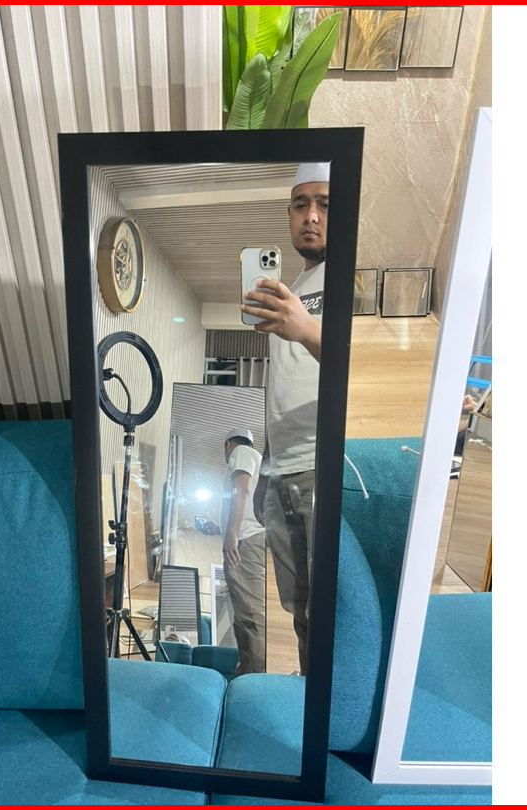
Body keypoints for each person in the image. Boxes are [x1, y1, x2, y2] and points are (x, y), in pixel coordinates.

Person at [240, 162, 330, 675]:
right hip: (283, 471)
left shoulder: (354, 276)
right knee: (298, 608)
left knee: (330, 608)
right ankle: (309, 694)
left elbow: (360, 367)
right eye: (301, 205)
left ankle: (328, 703)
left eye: (325, 204)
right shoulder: (294, 284)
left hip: (324, 465)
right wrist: (264, 469)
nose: (311, 216)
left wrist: (306, 329)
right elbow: (285, 382)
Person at [218, 427, 266, 675]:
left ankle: (255, 677)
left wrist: (232, 534)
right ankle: (247, 671)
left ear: (228, 444)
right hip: (246, 537)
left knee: (250, 615)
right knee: (244, 613)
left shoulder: (242, 452)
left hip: (245, 539)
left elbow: (242, 491)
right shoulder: (255, 456)